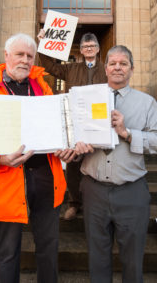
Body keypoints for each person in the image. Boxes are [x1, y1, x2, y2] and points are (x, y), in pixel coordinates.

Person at [0, 33, 75, 283]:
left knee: (48, 248)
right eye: (19, 54)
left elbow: (56, 126)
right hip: (6, 180)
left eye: (30, 56)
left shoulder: (42, 86)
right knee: (8, 251)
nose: (25, 60)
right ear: (6, 56)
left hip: (45, 176)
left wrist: (64, 146)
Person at [74, 45, 157, 283]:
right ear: (105, 69)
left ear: (131, 69)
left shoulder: (147, 103)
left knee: (133, 258)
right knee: (97, 256)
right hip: (93, 190)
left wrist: (127, 133)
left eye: (123, 64)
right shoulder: (84, 98)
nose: (117, 67)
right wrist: (76, 148)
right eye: (112, 63)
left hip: (131, 191)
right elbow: (72, 137)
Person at [37, 30, 107, 220]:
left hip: (99, 122)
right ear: (82, 50)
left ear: (98, 49)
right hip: (75, 121)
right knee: (74, 164)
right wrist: (43, 44)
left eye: (92, 46)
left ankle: (95, 204)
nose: (88, 49)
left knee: (98, 161)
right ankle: (74, 203)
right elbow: (50, 66)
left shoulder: (107, 69)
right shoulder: (70, 68)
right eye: (85, 47)